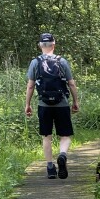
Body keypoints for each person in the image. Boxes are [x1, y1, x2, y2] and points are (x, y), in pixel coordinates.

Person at [25, 32, 79, 179]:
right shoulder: (62, 61)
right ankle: (62, 155)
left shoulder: (35, 62)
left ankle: (50, 167)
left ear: (40, 45)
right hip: (61, 104)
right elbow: (71, 83)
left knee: (46, 136)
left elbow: (30, 86)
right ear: (54, 45)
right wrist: (75, 102)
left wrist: (28, 104)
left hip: (44, 105)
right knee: (65, 135)